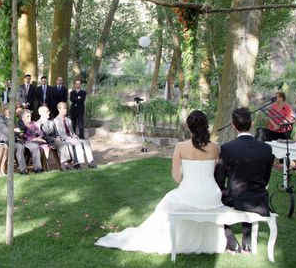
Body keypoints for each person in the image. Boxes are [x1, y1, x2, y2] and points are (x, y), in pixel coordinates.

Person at [96, 110, 226, 254]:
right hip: (212, 194)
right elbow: (213, 171)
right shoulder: (214, 147)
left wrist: (188, 185)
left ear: (189, 127)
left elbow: (176, 176)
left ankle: (163, 238)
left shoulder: (181, 147)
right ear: (206, 125)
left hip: (191, 192)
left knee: (166, 203)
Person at [215, 108, 274, 253]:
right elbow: (265, 180)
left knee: (212, 200)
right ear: (252, 123)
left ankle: (230, 240)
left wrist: (221, 191)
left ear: (233, 126)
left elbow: (219, 179)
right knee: (246, 192)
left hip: (236, 198)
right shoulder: (266, 148)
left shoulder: (227, 148)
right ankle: (247, 243)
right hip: (259, 199)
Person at [52, 102, 97, 169]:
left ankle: (91, 162)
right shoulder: (56, 121)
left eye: (66, 108)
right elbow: (60, 134)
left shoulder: (69, 120)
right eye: (64, 109)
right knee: (77, 143)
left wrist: (75, 136)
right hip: (65, 139)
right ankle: (77, 164)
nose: (66, 110)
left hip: (72, 138)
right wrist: (70, 138)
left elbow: (72, 132)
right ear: (59, 109)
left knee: (86, 142)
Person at [38, 105, 72, 171]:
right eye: (47, 112)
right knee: (64, 144)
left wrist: (58, 137)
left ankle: (66, 164)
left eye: (49, 111)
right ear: (40, 113)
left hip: (55, 141)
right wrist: (54, 139)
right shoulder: (38, 123)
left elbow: (56, 133)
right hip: (45, 142)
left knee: (66, 143)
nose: (49, 113)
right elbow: (43, 136)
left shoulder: (51, 122)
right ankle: (64, 165)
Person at [20, 109, 45, 174]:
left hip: (37, 141)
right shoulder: (22, 126)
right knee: (35, 147)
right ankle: (38, 169)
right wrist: (35, 139)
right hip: (26, 143)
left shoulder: (33, 124)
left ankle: (40, 167)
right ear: (23, 118)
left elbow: (41, 132)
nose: (30, 117)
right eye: (27, 116)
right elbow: (24, 136)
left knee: (42, 147)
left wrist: (40, 136)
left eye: (30, 116)